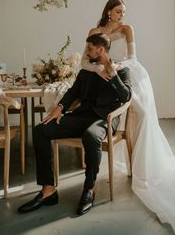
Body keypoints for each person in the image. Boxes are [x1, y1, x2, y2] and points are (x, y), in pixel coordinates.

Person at [81, 0, 175, 235]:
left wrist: (116, 67)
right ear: (109, 12)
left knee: (140, 114)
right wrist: (101, 68)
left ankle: (143, 164)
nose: (122, 15)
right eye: (118, 11)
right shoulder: (94, 32)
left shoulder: (127, 29)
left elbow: (133, 58)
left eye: (124, 12)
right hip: (104, 76)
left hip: (129, 74)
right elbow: (86, 61)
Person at [18, 33, 132, 215]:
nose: (86, 52)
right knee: (40, 130)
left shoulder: (122, 70)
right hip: (80, 117)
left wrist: (113, 73)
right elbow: (73, 92)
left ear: (101, 50)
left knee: (91, 136)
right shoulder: (87, 70)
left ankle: (89, 189)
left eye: (90, 49)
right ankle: (48, 191)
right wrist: (60, 107)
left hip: (103, 120)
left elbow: (126, 97)